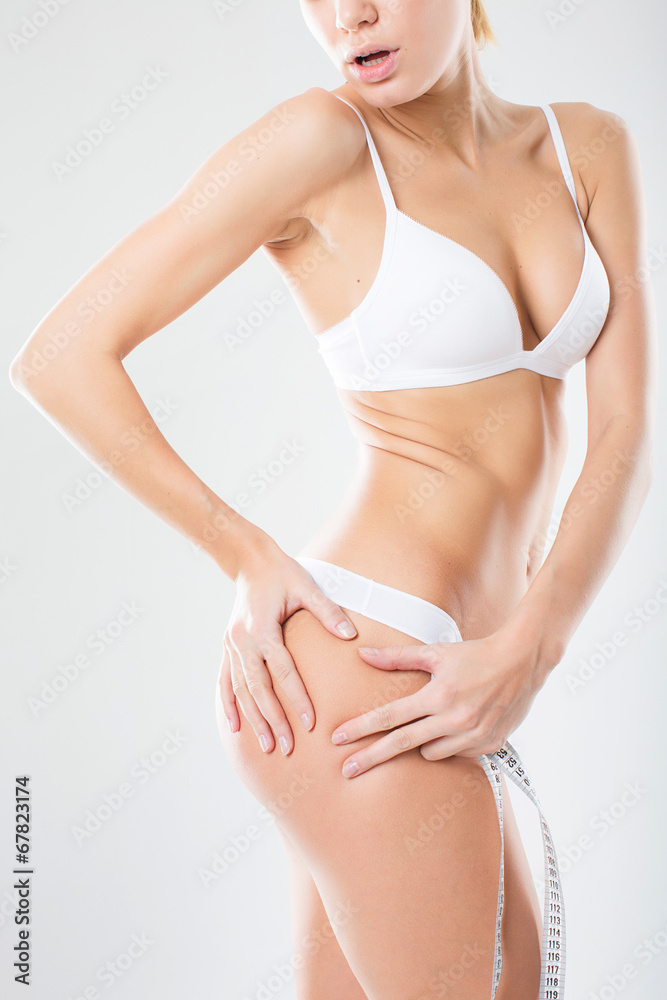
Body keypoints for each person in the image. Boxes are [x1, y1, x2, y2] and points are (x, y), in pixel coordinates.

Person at [9, 1, 656, 997]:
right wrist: (244, 550)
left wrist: (535, 641)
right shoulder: (321, 142)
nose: (347, 14)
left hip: (457, 676)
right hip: (362, 666)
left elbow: (620, 429)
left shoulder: (588, 149)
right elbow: (60, 357)